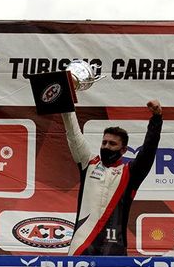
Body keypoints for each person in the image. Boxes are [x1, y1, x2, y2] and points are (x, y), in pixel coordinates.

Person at [62, 100, 163, 255]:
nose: (106, 146)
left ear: (123, 150)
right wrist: (65, 103)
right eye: (104, 142)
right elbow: (73, 134)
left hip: (114, 246)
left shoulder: (130, 172)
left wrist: (156, 118)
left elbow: (149, 150)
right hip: (82, 245)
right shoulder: (88, 163)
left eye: (112, 144)